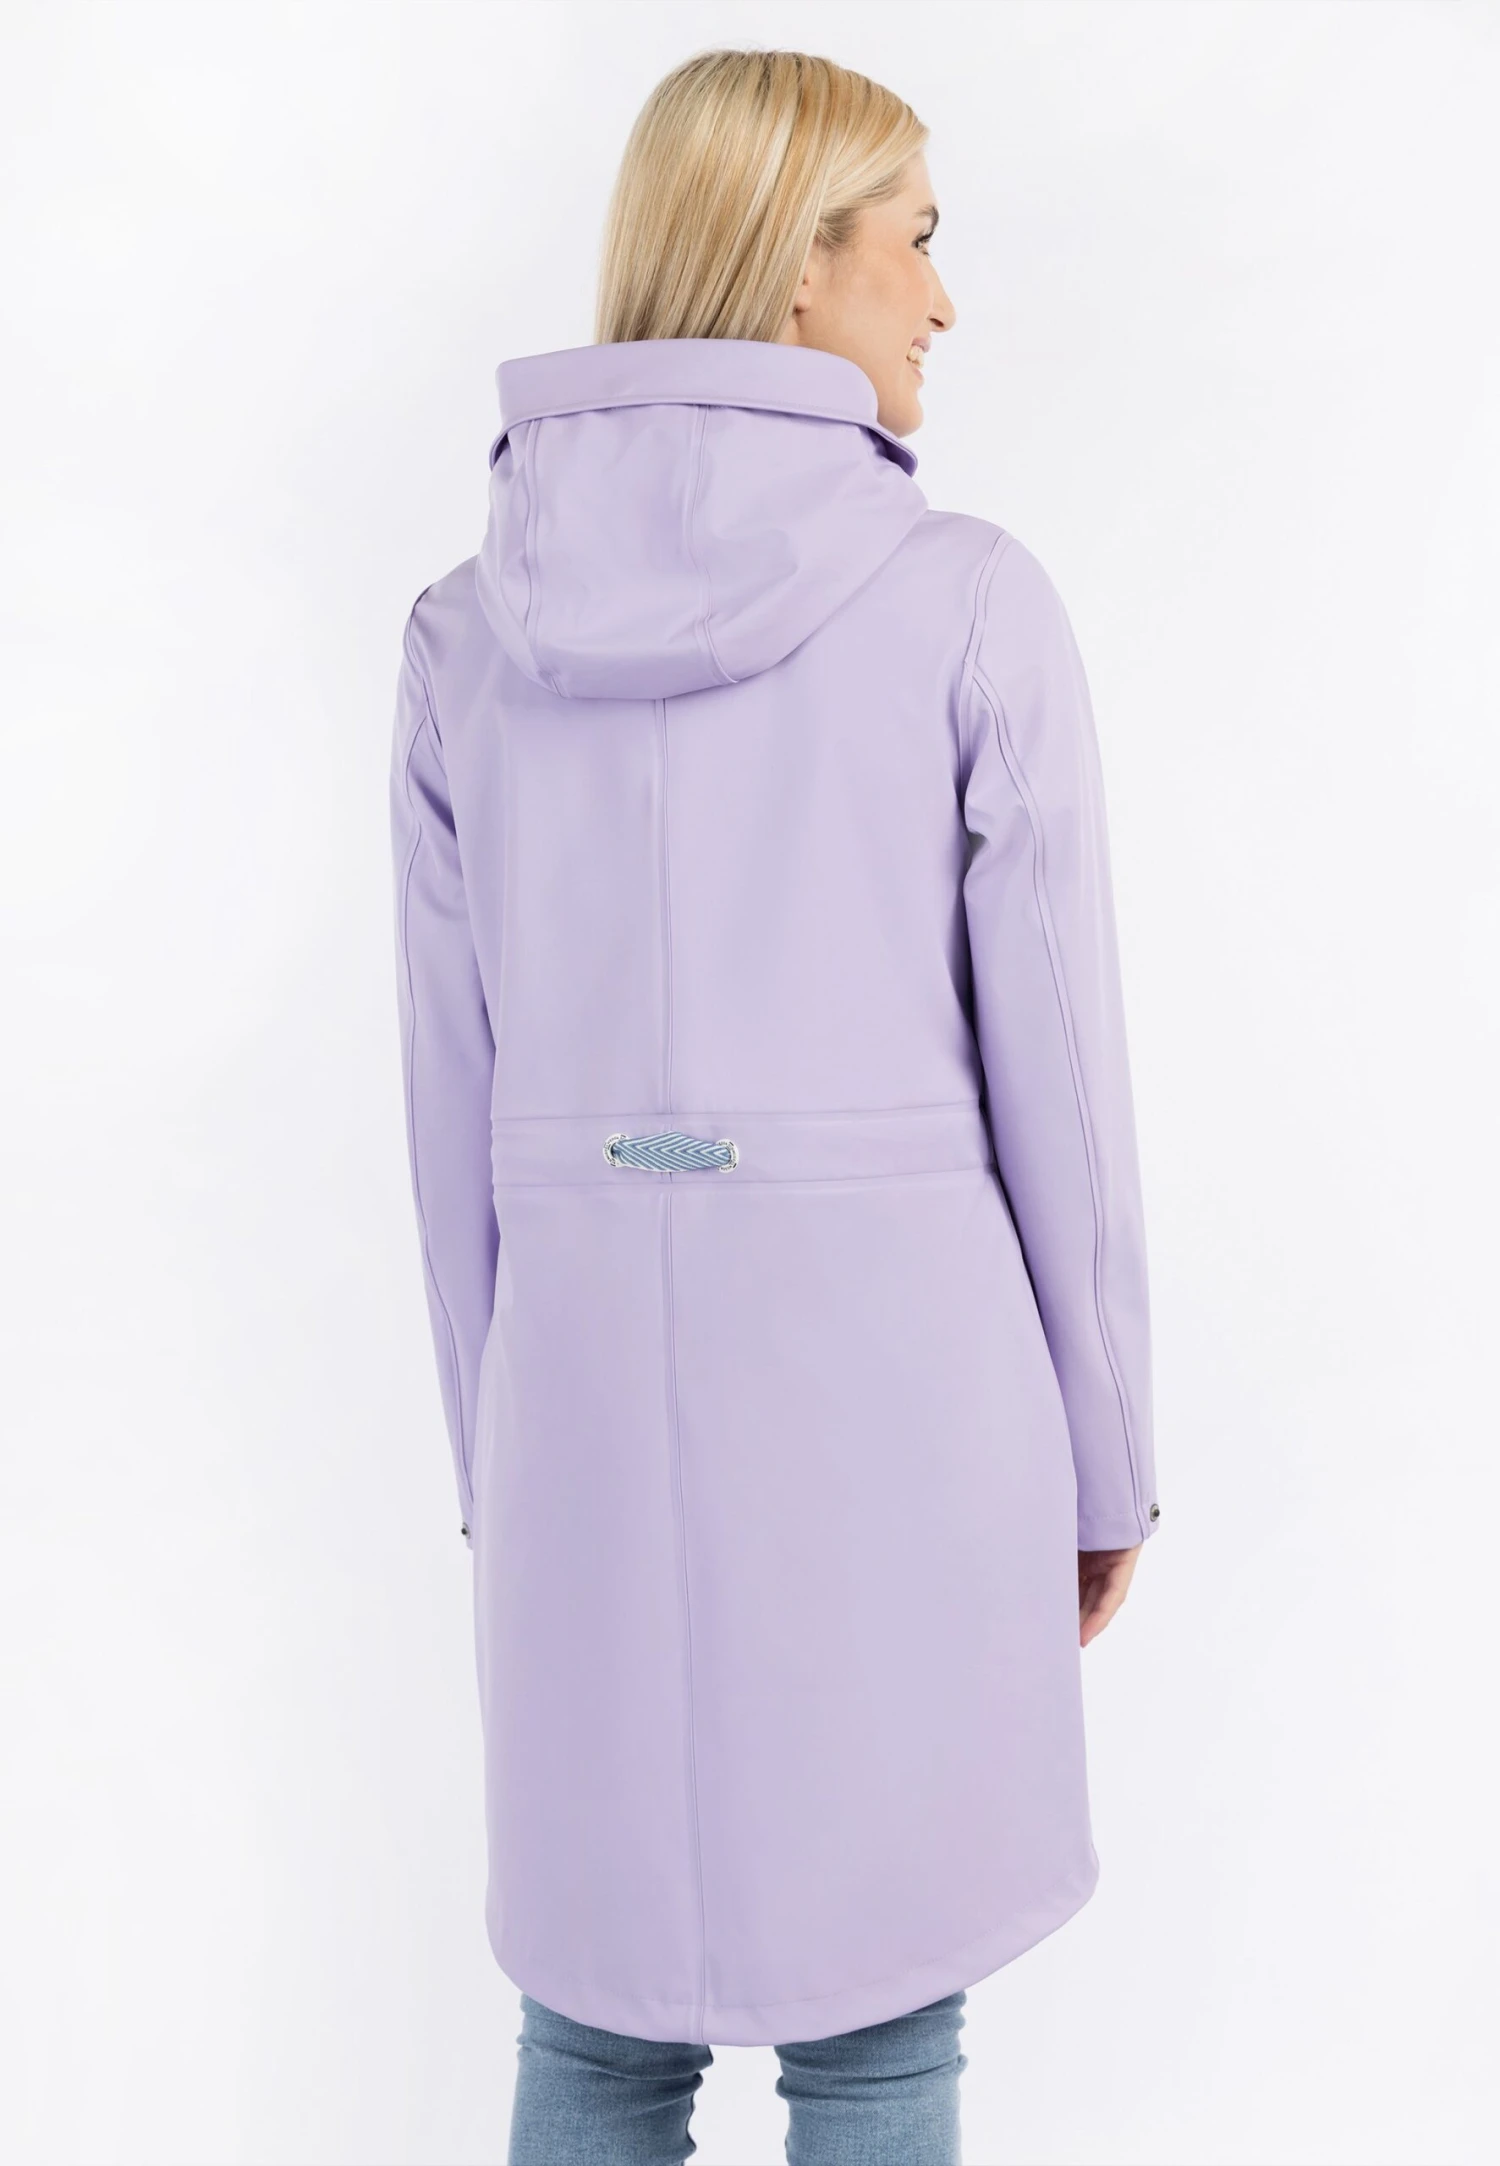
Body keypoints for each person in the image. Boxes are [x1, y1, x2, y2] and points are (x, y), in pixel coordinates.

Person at [388, 44, 1161, 2166]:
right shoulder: (965, 599)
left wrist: (503, 1467)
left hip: (577, 1433)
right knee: (883, 2039)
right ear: (798, 265)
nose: (943, 297)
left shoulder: (463, 637)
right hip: (904, 1429)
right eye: (915, 238)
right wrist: (1105, 1455)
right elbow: (1062, 1078)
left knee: (594, 2031)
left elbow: (447, 1106)